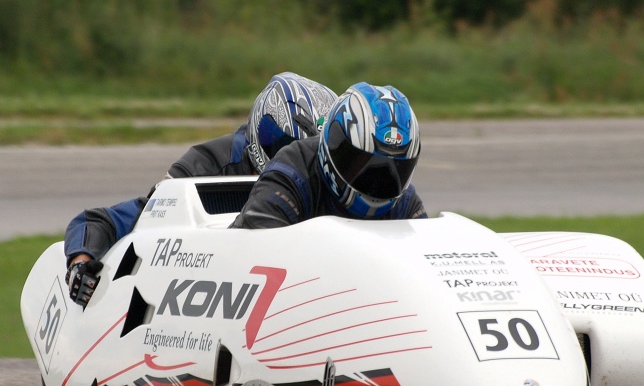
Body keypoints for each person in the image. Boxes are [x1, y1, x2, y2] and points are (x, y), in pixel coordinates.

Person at [64, 72, 338, 307]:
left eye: (310, 152)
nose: (295, 161)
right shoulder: (205, 168)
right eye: (286, 147)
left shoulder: (328, 177)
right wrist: (81, 260)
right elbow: (112, 219)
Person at [231, 82, 426, 230]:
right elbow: (259, 242)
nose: (378, 183)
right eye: (363, 165)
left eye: (395, 171)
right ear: (336, 146)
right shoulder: (292, 175)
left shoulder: (404, 201)